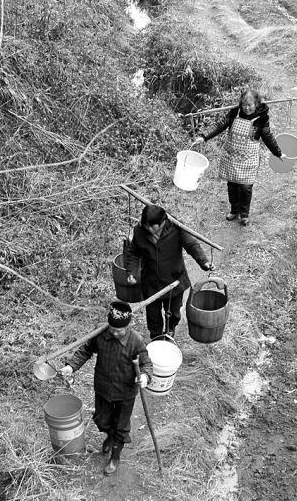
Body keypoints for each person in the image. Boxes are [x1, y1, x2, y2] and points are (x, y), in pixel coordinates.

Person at [59, 300, 153, 476]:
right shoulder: (101, 333)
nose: (115, 333)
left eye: (120, 330)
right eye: (112, 329)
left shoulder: (136, 341)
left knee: (121, 426)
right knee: (102, 420)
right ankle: (110, 436)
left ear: (129, 325)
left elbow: (147, 363)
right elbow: (86, 350)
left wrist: (145, 377)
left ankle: (115, 456)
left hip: (125, 392)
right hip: (103, 387)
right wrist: (71, 366)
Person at [193, 88, 284, 226]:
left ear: (257, 104)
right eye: (244, 105)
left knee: (246, 187)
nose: (247, 108)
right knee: (232, 185)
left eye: (250, 105)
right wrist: (204, 137)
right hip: (232, 156)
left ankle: (244, 214)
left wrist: (278, 153)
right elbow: (220, 126)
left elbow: (268, 137)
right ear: (240, 104)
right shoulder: (234, 113)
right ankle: (234, 210)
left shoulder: (262, 118)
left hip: (249, 158)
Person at [125, 204, 214, 341]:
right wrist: (131, 272)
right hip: (151, 281)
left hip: (174, 279)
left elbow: (192, 245)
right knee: (153, 315)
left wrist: (204, 262)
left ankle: (170, 330)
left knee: (173, 313)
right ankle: (156, 337)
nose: (148, 229)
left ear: (162, 223)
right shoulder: (139, 231)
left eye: (152, 226)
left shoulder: (176, 227)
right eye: (146, 226)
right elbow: (133, 253)